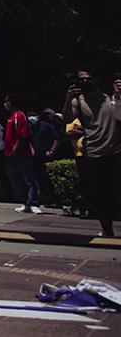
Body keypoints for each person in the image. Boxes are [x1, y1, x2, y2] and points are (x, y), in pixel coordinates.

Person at [67, 73, 118, 237]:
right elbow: (67, 117)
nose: (85, 82)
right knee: (100, 194)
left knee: (113, 191)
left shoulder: (110, 99)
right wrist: (68, 98)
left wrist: (118, 95)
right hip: (93, 152)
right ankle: (107, 228)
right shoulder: (78, 101)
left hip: (115, 150)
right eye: (81, 79)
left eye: (88, 79)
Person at [5, 98, 42, 214]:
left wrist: (16, 147)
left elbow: (22, 134)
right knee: (19, 178)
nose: (6, 104)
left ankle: (33, 203)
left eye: (7, 101)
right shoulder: (12, 117)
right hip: (12, 152)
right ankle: (26, 203)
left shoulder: (19, 115)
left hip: (20, 152)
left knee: (28, 178)